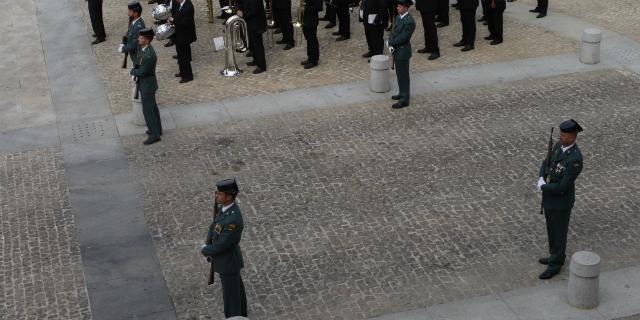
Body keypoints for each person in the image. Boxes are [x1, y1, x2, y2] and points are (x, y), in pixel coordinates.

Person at [537, 119, 584, 279]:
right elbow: (546, 162)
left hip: (561, 202)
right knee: (551, 229)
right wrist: (541, 177)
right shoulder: (558, 146)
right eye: (560, 134)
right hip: (550, 198)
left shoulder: (575, 159)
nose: (560, 137)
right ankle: (554, 255)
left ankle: (556, 264)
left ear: (572, 137)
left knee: (559, 233)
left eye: (563, 135)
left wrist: (544, 186)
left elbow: (563, 186)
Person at [201, 179, 248, 319]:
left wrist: (206, 249)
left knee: (231, 299)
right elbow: (214, 225)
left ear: (229, 197)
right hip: (225, 261)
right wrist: (208, 243)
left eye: (219, 194)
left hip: (228, 263)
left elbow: (222, 244)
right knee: (236, 294)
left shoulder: (233, 219)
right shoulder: (224, 209)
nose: (216, 196)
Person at [130, 28, 163, 145]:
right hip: (147, 84)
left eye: (141, 38)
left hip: (147, 86)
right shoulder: (145, 49)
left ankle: (154, 135)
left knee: (148, 111)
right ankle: (157, 129)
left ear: (147, 40)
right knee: (153, 108)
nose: (139, 39)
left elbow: (142, 71)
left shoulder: (149, 55)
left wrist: (133, 71)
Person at [387, 0, 415, 109]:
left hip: (403, 51)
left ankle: (404, 99)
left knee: (403, 75)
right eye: (397, 6)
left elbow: (404, 37)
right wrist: (390, 40)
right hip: (397, 50)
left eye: (399, 6)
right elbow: (394, 32)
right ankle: (402, 92)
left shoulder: (409, 21)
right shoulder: (399, 17)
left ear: (405, 7)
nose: (397, 8)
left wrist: (390, 42)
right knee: (399, 74)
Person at [168, 0, 197, 83]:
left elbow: (184, 23)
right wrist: (171, 20)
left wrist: (173, 20)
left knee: (184, 57)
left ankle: (188, 76)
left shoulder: (188, 7)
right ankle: (182, 72)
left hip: (185, 35)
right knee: (180, 55)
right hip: (179, 34)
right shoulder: (179, 4)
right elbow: (176, 15)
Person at [238, 0, 268, 74]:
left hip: (256, 22)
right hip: (249, 21)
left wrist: (243, 14)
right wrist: (239, 9)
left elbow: (254, 10)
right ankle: (256, 60)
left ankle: (262, 66)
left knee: (257, 44)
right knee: (251, 42)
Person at [119, 0, 145, 64]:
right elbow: (128, 33)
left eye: (130, 12)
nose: (128, 13)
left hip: (138, 56)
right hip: (134, 56)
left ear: (136, 13)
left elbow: (134, 44)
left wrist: (123, 49)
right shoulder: (133, 21)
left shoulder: (138, 26)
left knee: (136, 72)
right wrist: (123, 42)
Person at [301, 0, 323, 69]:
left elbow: (319, 7)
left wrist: (305, 8)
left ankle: (314, 60)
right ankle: (310, 57)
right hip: (305, 18)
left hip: (312, 19)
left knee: (312, 39)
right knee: (308, 39)